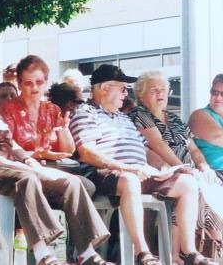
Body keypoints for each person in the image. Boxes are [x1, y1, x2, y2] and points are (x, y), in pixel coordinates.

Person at [0, 54, 111, 265]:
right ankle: (43, 254)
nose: (0, 78)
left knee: (71, 183)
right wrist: (15, 164)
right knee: (26, 179)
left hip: (12, 168)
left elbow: (12, 144)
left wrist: (30, 162)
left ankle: (86, 253)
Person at [70, 64, 217, 265]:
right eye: (122, 88)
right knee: (130, 180)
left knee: (188, 183)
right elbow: (87, 152)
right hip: (107, 173)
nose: (125, 93)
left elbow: (147, 150)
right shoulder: (86, 112)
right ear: (104, 88)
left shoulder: (123, 118)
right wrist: (126, 167)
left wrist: (165, 170)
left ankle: (189, 252)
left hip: (139, 172)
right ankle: (143, 253)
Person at [130, 71, 223, 258]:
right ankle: (179, 254)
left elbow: (194, 148)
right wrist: (182, 167)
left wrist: (202, 165)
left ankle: (191, 251)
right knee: (192, 184)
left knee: (205, 182)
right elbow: (159, 145)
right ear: (141, 94)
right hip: (164, 170)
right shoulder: (141, 115)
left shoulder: (173, 118)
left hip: (187, 169)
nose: (161, 93)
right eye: (154, 90)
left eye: (163, 89)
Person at [0, 55, 76, 161]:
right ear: (19, 85)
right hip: (24, 169)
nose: (34, 88)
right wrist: (37, 155)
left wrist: (64, 130)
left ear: (46, 83)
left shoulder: (53, 109)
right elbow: (5, 149)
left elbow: (68, 152)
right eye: (28, 83)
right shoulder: (7, 110)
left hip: (55, 168)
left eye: (39, 82)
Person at [189, 74, 223, 180]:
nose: (217, 97)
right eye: (214, 92)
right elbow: (219, 138)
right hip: (215, 172)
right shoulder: (199, 115)